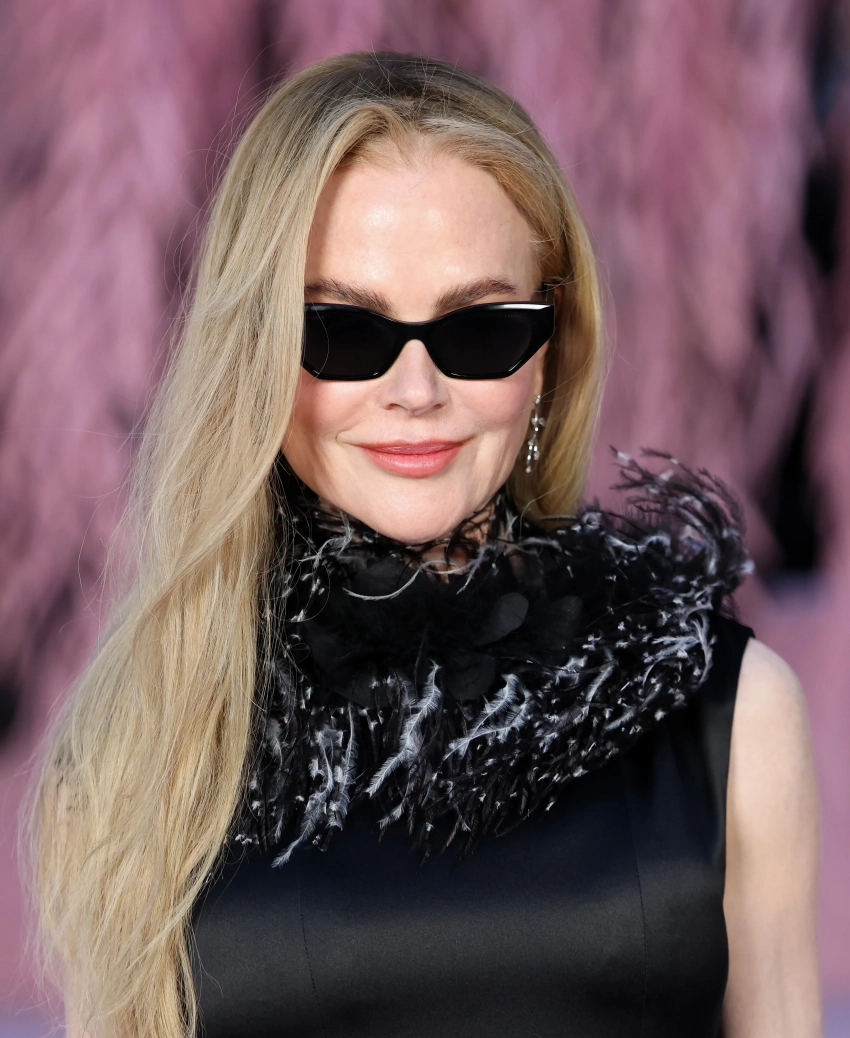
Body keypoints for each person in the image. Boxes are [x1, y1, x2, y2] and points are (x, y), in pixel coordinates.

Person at [29, 51, 821, 1038]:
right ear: (256, 352)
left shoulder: (732, 717)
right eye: (343, 331)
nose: (415, 392)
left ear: (549, 352)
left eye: (480, 329)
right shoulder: (136, 750)